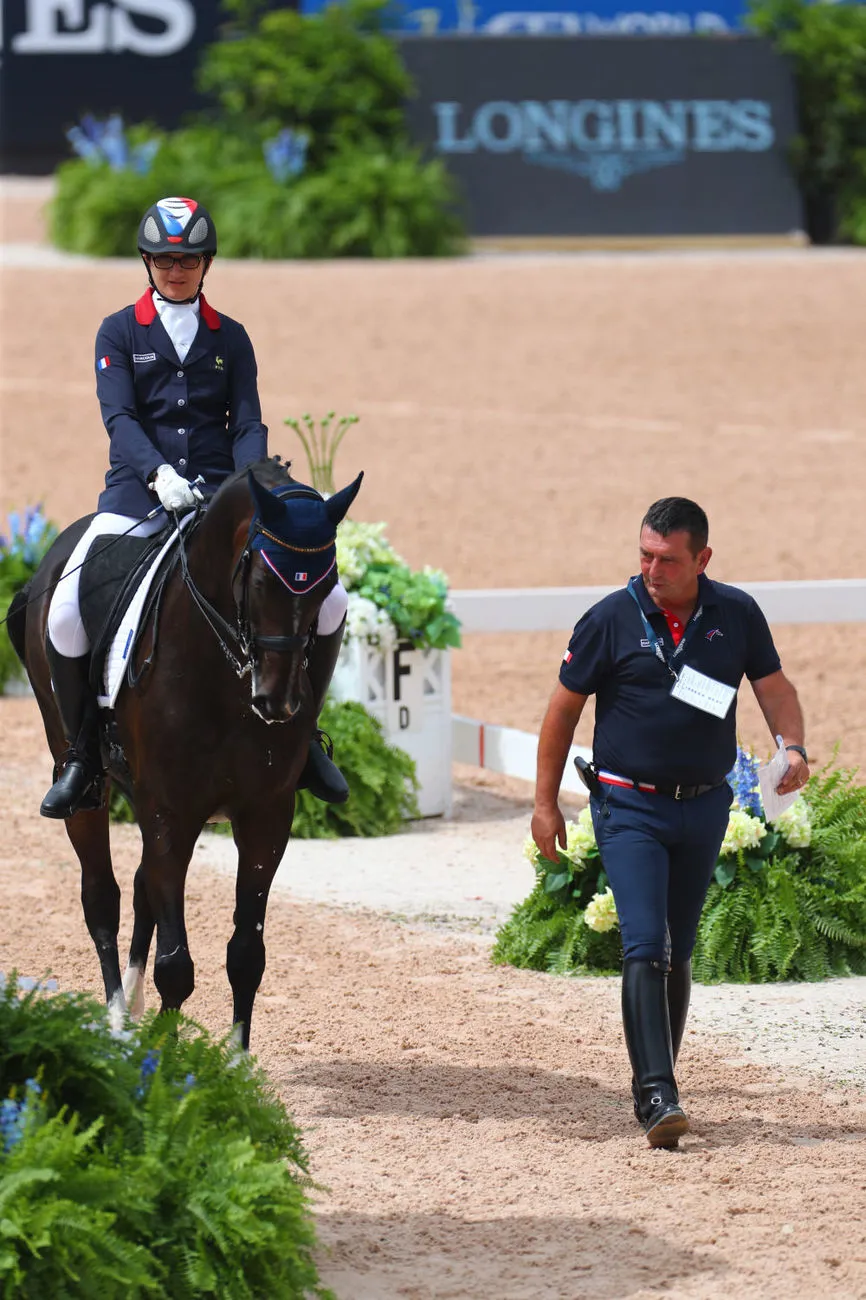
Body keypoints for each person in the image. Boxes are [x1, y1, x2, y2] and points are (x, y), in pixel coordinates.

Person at [41, 195, 350, 820]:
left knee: (332, 602)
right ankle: (81, 754)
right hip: (137, 495)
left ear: (206, 263)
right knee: (65, 612)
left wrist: (246, 483)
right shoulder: (119, 331)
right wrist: (157, 474)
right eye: (162, 259)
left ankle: (305, 738)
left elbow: (249, 422)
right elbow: (119, 418)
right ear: (147, 261)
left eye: (186, 259)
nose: (174, 269)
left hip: (218, 496)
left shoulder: (230, 337)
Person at [531, 497, 809, 1149]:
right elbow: (561, 714)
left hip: (707, 804)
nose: (653, 569)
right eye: (644, 555)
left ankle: (663, 1083)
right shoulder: (607, 620)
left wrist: (790, 745)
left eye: (668, 559)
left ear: (702, 559)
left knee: (679, 950)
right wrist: (546, 805)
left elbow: (774, 687)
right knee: (643, 942)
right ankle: (655, 1094)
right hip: (628, 804)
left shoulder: (736, 614)